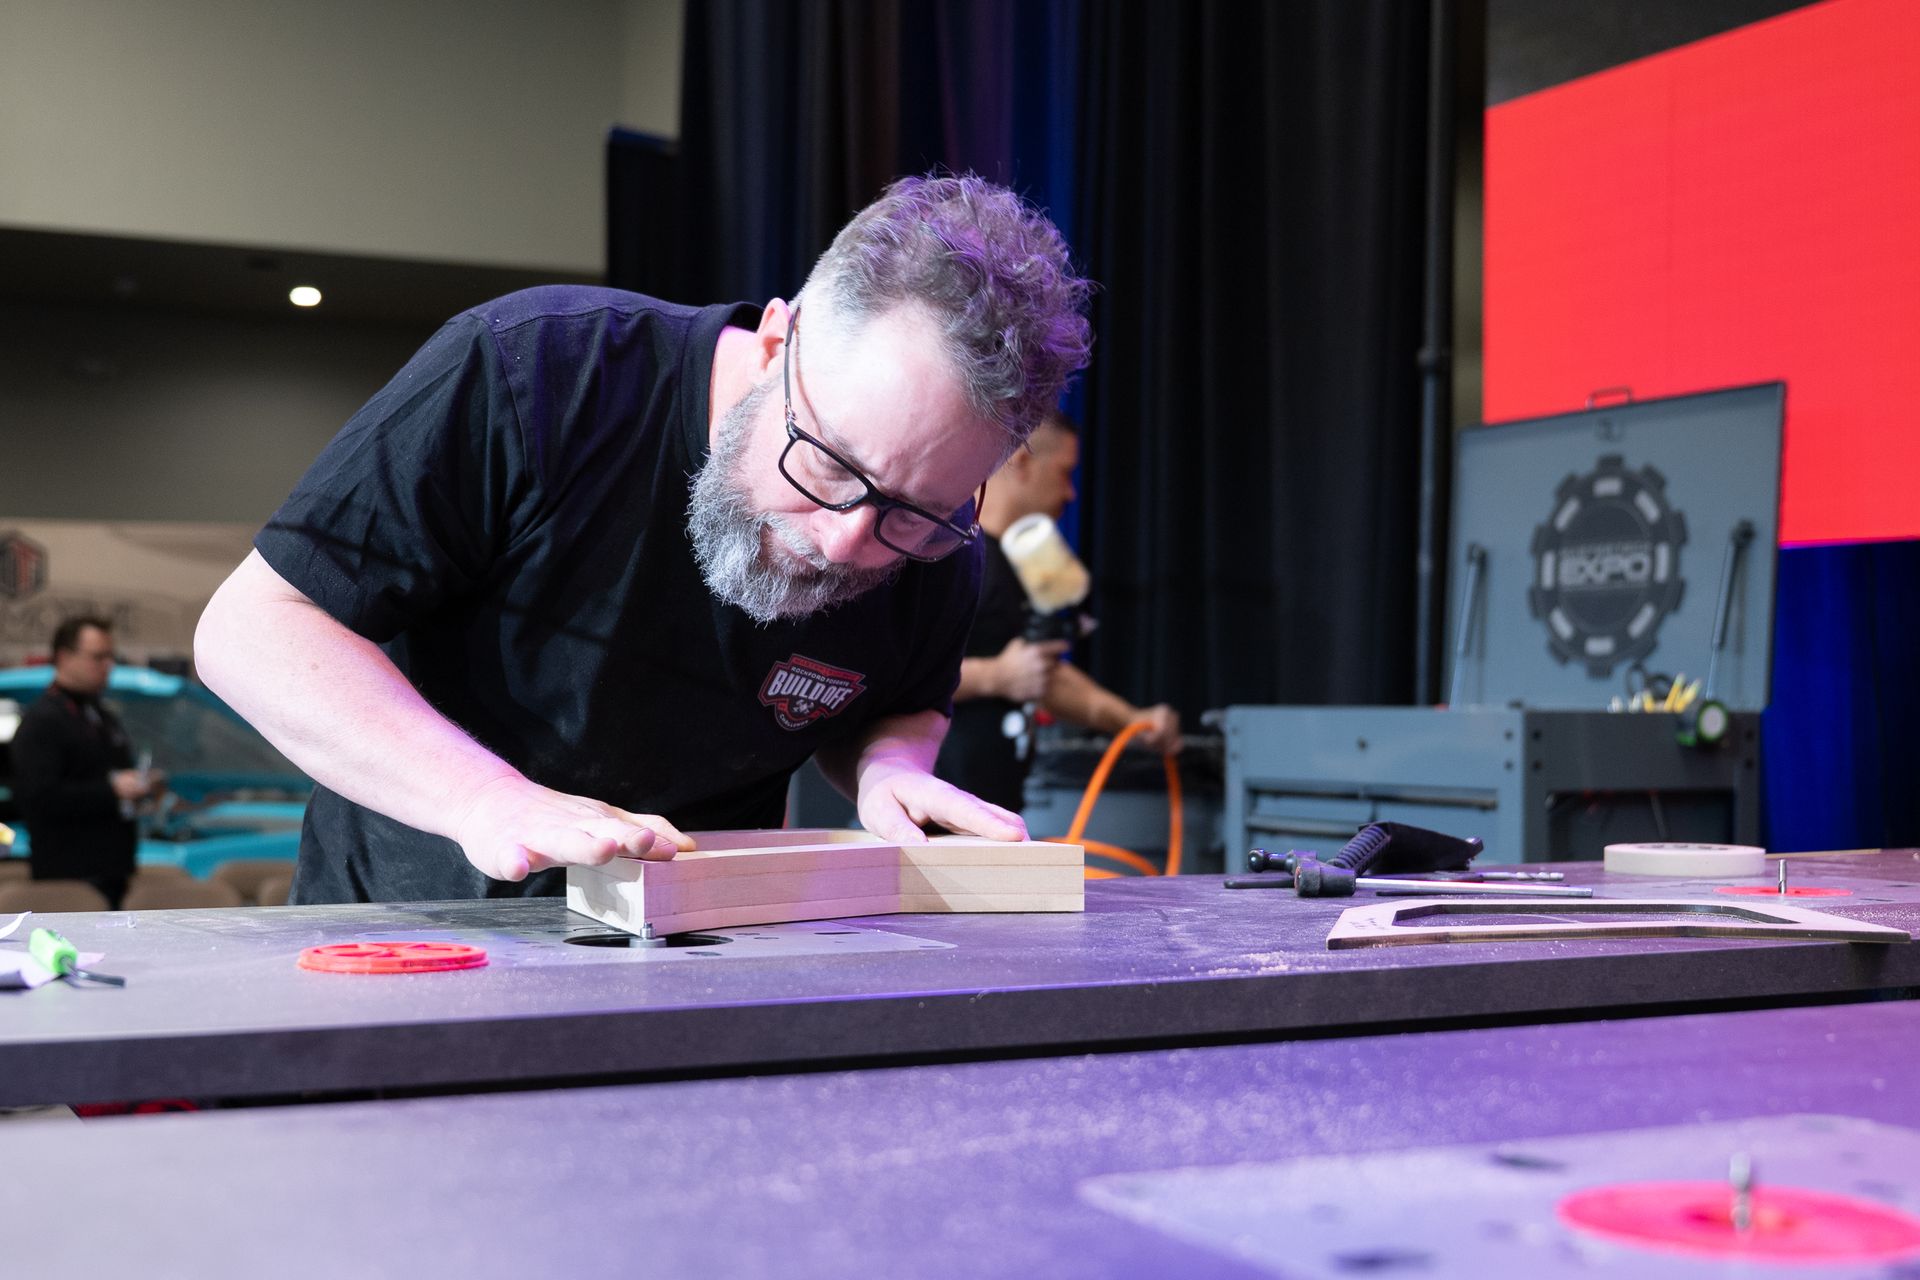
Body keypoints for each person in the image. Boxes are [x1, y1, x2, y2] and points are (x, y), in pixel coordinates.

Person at [194, 174, 1093, 904]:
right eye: (827, 466)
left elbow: (900, 695)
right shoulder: (536, 374)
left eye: (911, 512)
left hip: (699, 964)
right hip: (407, 941)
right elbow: (253, 629)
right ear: (779, 342)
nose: (850, 540)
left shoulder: (937, 531)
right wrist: (490, 800)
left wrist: (888, 768)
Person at [935, 413, 1181, 812]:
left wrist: (1135, 722)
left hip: (997, 813)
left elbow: (1044, 676)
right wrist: (995, 677)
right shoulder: (944, 553)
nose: (1071, 494)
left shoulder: (1031, 563)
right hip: (930, 813)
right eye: (1065, 473)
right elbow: (892, 675)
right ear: (1023, 462)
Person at [12, 616, 166, 908]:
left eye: (111, 657)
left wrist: (142, 787)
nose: (108, 665)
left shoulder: (100, 715)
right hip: (66, 878)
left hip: (113, 869)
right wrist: (113, 790)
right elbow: (39, 797)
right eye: (98, 657)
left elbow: (111, 774)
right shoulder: (43, 721)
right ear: (64, 657)